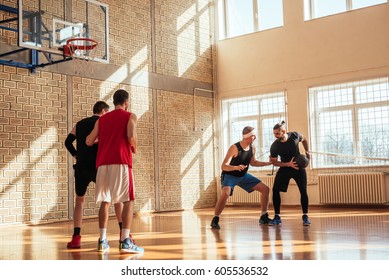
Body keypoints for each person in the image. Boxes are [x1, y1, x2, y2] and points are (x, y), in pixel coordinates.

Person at [86, 89, 144, 254]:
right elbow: (131, 136)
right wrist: (135, 148)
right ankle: (125, 240)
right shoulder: (130, 116)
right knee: (128, 200)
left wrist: (104, 140)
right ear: (126, 102)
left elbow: (89, 141)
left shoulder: (102, 119)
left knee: (106, 201)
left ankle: (102, 241)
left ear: (113, 101)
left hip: (103, 164)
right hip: (121, 161)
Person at [65, 101, 124, 249]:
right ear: (104, 111)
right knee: (115, 199)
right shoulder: (104, 122)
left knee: (79, 201)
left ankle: (76, 238)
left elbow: (67, 142)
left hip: (81, 168)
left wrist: (76, 155)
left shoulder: (79, 124)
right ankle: (124, 234)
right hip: (99, 167)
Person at [210, 126, 273, 229]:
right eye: (253, 136)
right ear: (247, 137)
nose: (255, 137)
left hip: (243, 176)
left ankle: (263, 216)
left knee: (265, 189)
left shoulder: (252, 147)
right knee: (225, 193)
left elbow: (253, 162)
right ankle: (215, 219)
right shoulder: (234, 148)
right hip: (229, 175)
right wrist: (236, 167)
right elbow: (223, 166)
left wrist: (268, 163)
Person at [268, 121, 311, 226]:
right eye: (274, 134)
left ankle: (305, 215)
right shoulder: (275, 146)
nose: (275, 136)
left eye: (277, 134)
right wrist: (288, 164)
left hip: (298, 167)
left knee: (303, 190)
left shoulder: (295, 136)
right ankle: (277, 216)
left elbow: (304, 139)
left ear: (284, 132)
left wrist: (307, 152)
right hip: (285, 167)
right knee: (275, 190)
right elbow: (275, 162)